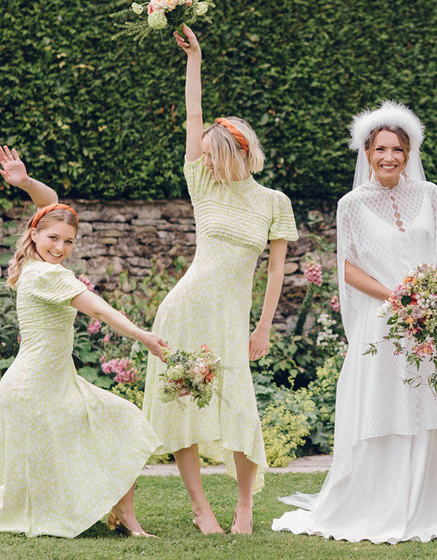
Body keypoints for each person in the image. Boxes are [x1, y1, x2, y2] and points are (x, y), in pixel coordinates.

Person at [271, 101, 437, 543]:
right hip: (383, 326)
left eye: (397, 149)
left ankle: (431, 505)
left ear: (409, 152)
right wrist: (398, 296)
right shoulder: (351, 205)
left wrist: (430, 294)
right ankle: (379, 504)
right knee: (386, 405)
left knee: (429, 403)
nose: (389, 157)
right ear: (366, 153)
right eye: (380, 149)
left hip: (430, 323)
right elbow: (348, 266)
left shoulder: (431, 194)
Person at [0, 145, 167, 539]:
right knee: (43, 474)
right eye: (53, 238)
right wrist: (143, 336)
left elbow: (51, 205)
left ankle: (127, 521)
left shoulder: (34, 263)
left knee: (123, 425)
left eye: (68, 242)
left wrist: (26, 182)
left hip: (55, 382)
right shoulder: (49, 276)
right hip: (35, 388)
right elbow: (98, 310)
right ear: (34, 232)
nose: (60, 248)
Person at [140, 25, 298, 535]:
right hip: (184, 307)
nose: (202, 158)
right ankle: (201, 507)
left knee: (241, 408)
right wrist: (195, 60)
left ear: (234, 153)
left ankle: (245, 507)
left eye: (211, 152)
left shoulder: (274, 202)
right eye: (203, 154)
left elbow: (276, 273)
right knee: (180, 401)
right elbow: (192, 115)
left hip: (232, 317)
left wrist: (263, 328)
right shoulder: (202, 185)